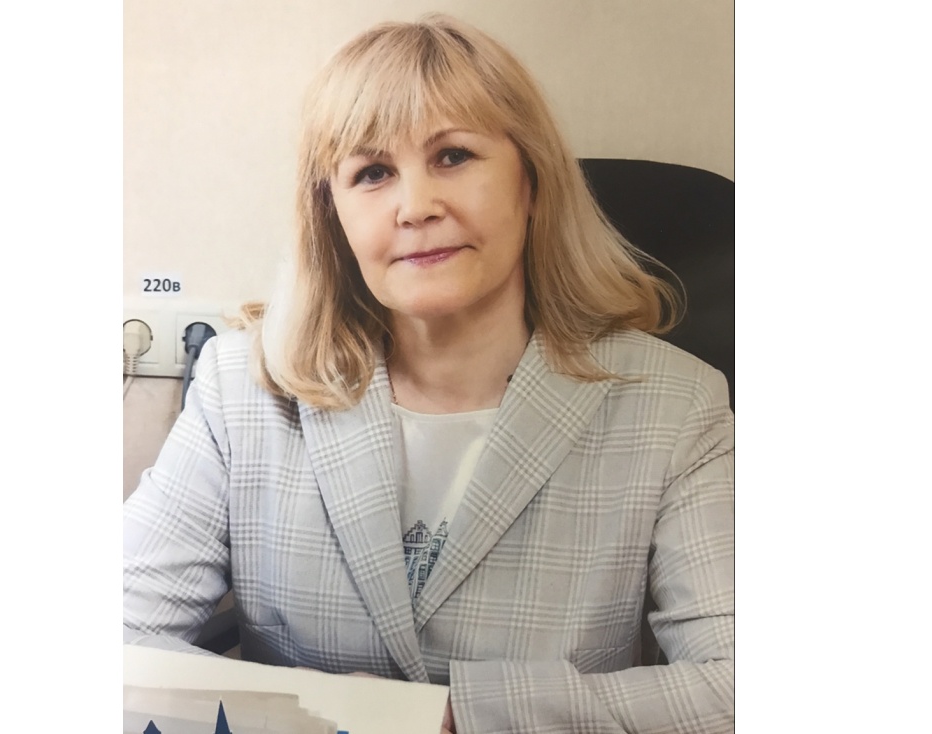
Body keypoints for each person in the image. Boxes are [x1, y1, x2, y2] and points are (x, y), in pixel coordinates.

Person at [123, 13, 734, 734]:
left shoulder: (677, 406)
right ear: (334, 215)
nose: (415, 207)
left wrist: (448, 714)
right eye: (372, 173)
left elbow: (734, 687)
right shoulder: (241, 389)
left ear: (532, 183)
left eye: (453, 156)